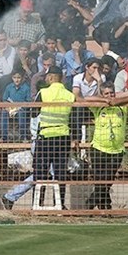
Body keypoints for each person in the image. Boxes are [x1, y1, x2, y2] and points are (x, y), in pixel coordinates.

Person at [86, 82, 128, 210]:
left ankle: (91, 203)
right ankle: (105, 207)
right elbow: (86, 99)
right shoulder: (99, 107)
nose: (110, 96)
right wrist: (104, 100)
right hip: (98, 148)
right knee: (99, 180)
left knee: (108, 181)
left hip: (117, 150)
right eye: (106, 93)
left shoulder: (122, 107)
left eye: (111, 93)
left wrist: (117, 100)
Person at [31, 66, 74, 210]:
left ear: (50, 77)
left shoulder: (43, 92)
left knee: (40, 172)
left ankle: (37, 204)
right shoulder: (69, 95)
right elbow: (74, 118)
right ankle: (60, 205)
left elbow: (33, 112)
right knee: (61, 173)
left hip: (45, 137)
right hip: (63, 138)